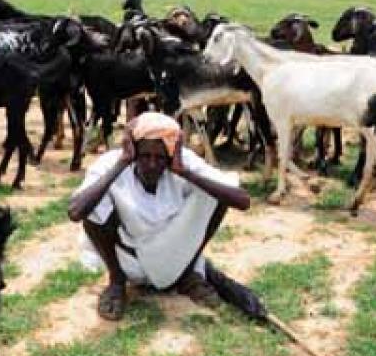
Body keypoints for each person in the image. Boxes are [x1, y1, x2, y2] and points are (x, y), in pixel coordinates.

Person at [68, 111, 251, 320]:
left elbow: (242, 201)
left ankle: (186, 273)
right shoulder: (112, 162)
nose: (153, 164)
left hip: (174, 257)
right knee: (94, 202)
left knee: (216, 193)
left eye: (160, 158)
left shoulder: (182, 161)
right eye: (145, 156)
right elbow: (76, 211)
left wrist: (185, 173)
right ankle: (117, 283)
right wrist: (122, 163)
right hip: (128, 259)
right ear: (134, 152)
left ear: (170, 155)